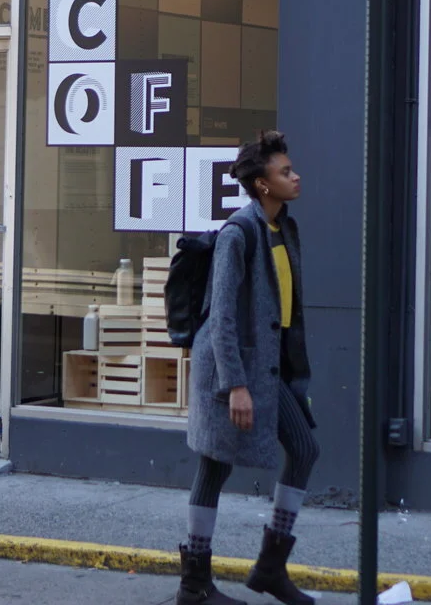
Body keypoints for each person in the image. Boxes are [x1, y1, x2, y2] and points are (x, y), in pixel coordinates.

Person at [179, 131, 318, 605]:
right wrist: (235, 386)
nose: (295, 177)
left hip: (267, 369)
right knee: (214, 467)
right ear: (262, 184)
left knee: (304, 449)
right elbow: (221, 316)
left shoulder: (282, 229)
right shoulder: (239, 233)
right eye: (285, 172)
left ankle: (270, 568)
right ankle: (194, 584)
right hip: (231, 369)